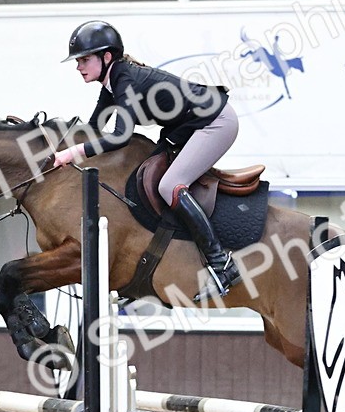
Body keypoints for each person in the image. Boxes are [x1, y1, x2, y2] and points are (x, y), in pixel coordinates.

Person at [52, 20, 242, 301]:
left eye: (84, 59)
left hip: (215, 122)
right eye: (78, 61)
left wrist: (72, 153)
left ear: (106, 57)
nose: (78, 66)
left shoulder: (124, 79)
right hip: (187, 128)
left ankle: (221, 263)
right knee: (144, 181)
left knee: (169, 186)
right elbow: (94, 129)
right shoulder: (112, 84)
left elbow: (120, 136)